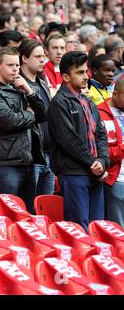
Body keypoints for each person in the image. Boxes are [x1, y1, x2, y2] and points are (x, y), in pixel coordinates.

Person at [47, 51, 109, 231]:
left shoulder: (87, 100)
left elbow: (101, 134)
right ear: (65, 76)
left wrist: (102, 161)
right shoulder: (59, 102)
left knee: (97, 227)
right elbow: (69, 140)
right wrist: (94, 164)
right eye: (80, 73)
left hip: (94, 171)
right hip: (74, 172)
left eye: (86, 71)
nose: (86, 76)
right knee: (79, 228)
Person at [0, 47, 46, 213]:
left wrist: (30, 91)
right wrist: (30, 114)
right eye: (10, 65)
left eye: (17, 65)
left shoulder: (19, 88)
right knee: (6, 213)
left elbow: (43, 114)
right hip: (5, 163)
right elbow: (10, 122)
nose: (15, 69)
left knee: (27, 214)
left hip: (27, 160)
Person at [18, 38, 55, 196]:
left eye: (44, 57)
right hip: (32, 156)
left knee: (45, 206)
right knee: (31, 207)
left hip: (49, 154)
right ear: (25, 59)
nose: (43, 60)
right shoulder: (18, 85)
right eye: (38, 57)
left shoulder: (43, 84)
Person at [98, 77, 124, 228]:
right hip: (116, 179)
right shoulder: (99, 113)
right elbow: (100, 152)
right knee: (118, 230)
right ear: (115, 94)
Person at [43, 33, 66, 97]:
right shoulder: (41, 70)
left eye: (62, 48)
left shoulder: (70, 70)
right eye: (55, 48)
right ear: (46, 50)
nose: (59, 52)